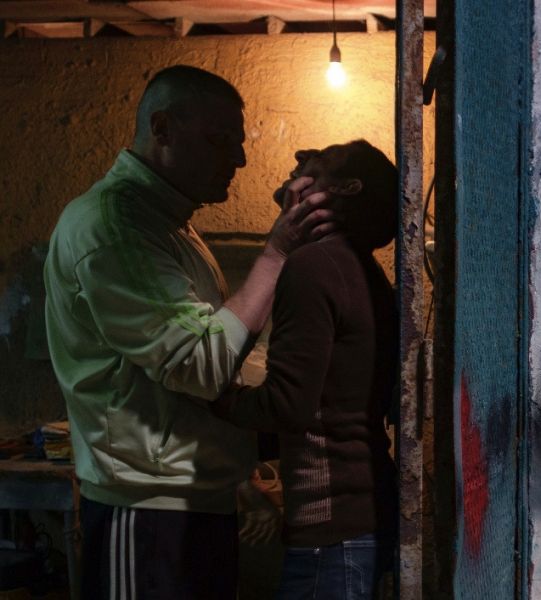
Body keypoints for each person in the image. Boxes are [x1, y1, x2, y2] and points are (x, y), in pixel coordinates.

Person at [43, 64, 334, 600]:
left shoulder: (170, 224)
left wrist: (239, 473)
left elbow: (209, 365)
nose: (239, 160)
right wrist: (276, 252)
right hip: (148, 513)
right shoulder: (115, 227)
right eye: (220, 140)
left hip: (187, 503)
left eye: (239, 142)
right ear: (162, 129)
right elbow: (201, 366)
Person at [216, 139, 399, 600]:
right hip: (361, 516)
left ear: (344, 188)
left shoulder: (313, 266)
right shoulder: (359, 268)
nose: (300, 155)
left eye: (324, 155)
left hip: (331, 530)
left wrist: (209, 393)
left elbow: (287, 406)